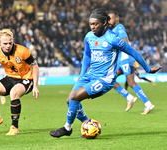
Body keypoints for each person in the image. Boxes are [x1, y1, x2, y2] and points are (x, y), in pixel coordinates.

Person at [49, 8, 161, 138]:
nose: (92, 27)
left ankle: (67, 128)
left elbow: (133, 52)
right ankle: (87, 123)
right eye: (91, 24)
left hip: (104, 80)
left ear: (104, 23)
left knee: (74, 98)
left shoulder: (113, 39)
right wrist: (82, 73)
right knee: (70, 100)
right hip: (90, 75)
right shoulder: (89, 36)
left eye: (95, 24)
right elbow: (87, 55)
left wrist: (147, 69)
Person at [108, 11, 156, 113]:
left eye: (110, 19)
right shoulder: (114, 30)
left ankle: (148, 104)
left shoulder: (119, 28)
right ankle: (129, 97)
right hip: (121, 59)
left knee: (131, 82)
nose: (109, 21)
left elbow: (125, 43)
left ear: (116, 18)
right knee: (109, 79)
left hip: (125, 58)